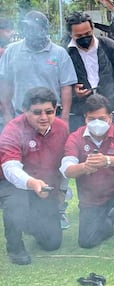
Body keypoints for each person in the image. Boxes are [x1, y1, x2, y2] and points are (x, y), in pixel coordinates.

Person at [60, 94, 114, 251]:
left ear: (110, 118)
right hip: (91, 198)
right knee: (86, 242)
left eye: (101, 118)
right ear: (85, 118)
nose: (97, 123)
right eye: (92, 119)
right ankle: (110, 219)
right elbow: (66, 169)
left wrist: (107, 161)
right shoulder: (75, 138)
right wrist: (84, 167)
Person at [0, 87, 68, 265]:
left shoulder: (61, 129)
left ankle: (30, 224)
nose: (44, 117)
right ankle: (15, 247)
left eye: (49, 112)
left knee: (52, 243)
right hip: (11, 185)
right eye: (37, 112)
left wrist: (61, 190)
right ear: (25, 111)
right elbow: (10, 168)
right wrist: (32, 183)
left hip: (43, 188)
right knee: (16, 201)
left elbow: (66, 163)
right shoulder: (12, 129)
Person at [0, 11, 77, 126]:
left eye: (35, 28)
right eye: (27, 28)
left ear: (44, 30)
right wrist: (7, 114)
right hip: (20, 117)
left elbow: (66, 88)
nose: (31, 32)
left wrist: (64, 119)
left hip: (51, 118)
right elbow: (5, 84)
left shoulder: (59, 53)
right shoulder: (11, 51)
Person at [65, 12, 114, 132]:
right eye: (79, 36)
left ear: (92, 28)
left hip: (108, 109)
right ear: (70, 34)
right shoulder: (65, 53)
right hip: (80, 113)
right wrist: (74, 92)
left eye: (87, 34)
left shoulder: (109, 46)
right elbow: (61, 82)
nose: (85, 38)